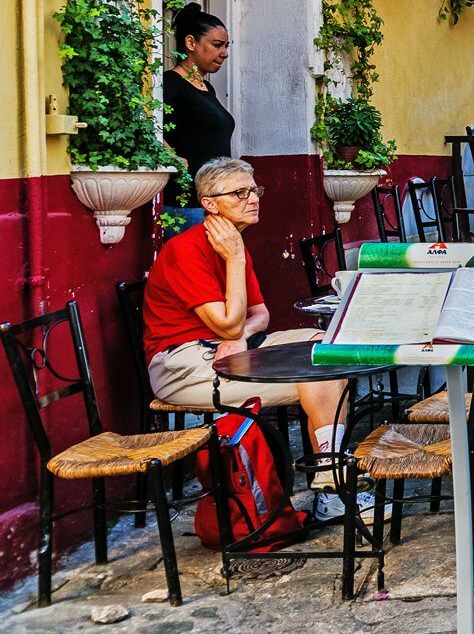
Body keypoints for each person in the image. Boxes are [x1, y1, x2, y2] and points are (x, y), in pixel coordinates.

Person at [143, 158, 375, 520]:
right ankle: (332, 491)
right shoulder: (187, 249)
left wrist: (241, 335)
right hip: (181, 366)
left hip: (223, 352)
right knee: (319, 372)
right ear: (209, 203)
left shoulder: (234, 243)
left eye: (254, 190)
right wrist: (234, 271)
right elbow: (227, 324)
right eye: (239, 193)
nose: (252, 199)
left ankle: (330, 483)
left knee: (325, 345)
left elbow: (259, 316)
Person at [162, 4, 236, 226]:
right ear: (191, 43)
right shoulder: (171, 84)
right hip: (187, 205)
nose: (224, 53)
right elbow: (149, 128)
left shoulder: (207, 88)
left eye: (226, 46)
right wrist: (171, 156)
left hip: (215, 202)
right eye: (217, 45)